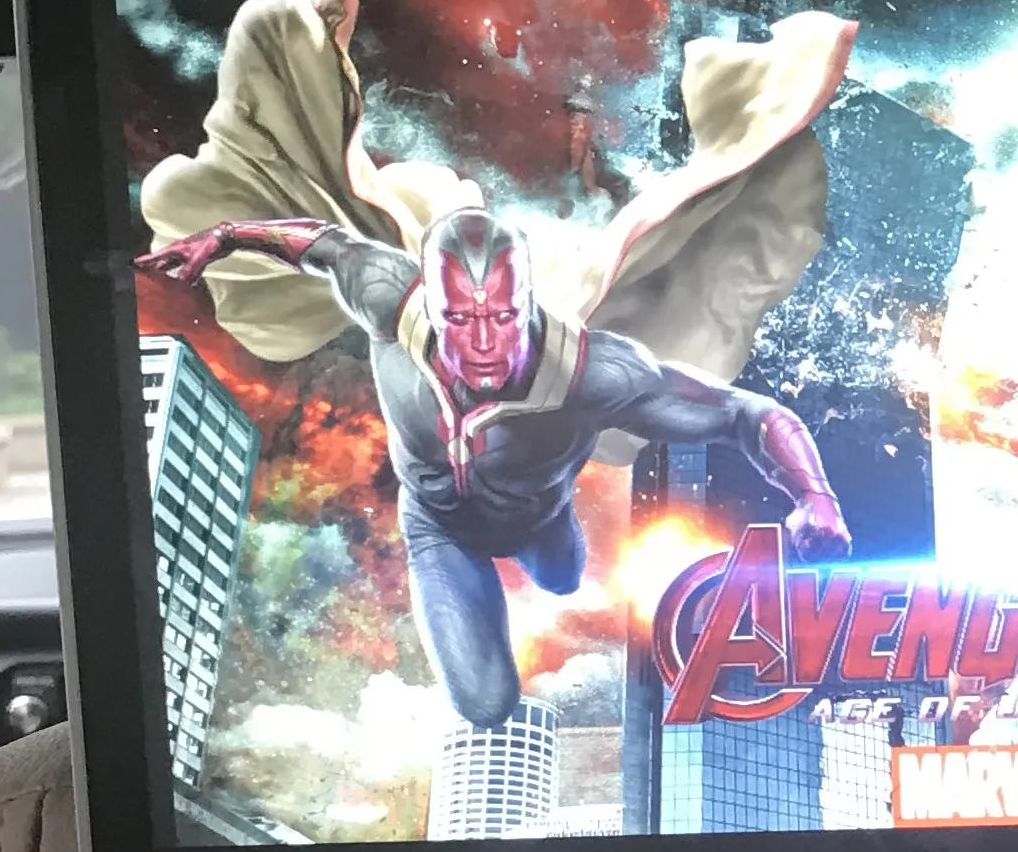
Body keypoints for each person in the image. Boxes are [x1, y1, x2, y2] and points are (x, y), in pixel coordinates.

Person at [142, 205, 849, 725]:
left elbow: (748, 414)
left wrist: (816, 496)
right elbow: (317, 245)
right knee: (485, 704)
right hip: (439, 530)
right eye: (461, 320)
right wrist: (226, 236)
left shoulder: (592, 374)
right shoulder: (386, 295)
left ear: (528, 302)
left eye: (502, 318)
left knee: (562, 574)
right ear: (431, 305)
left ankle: (556, 529)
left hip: (537, 521)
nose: (482, 343)